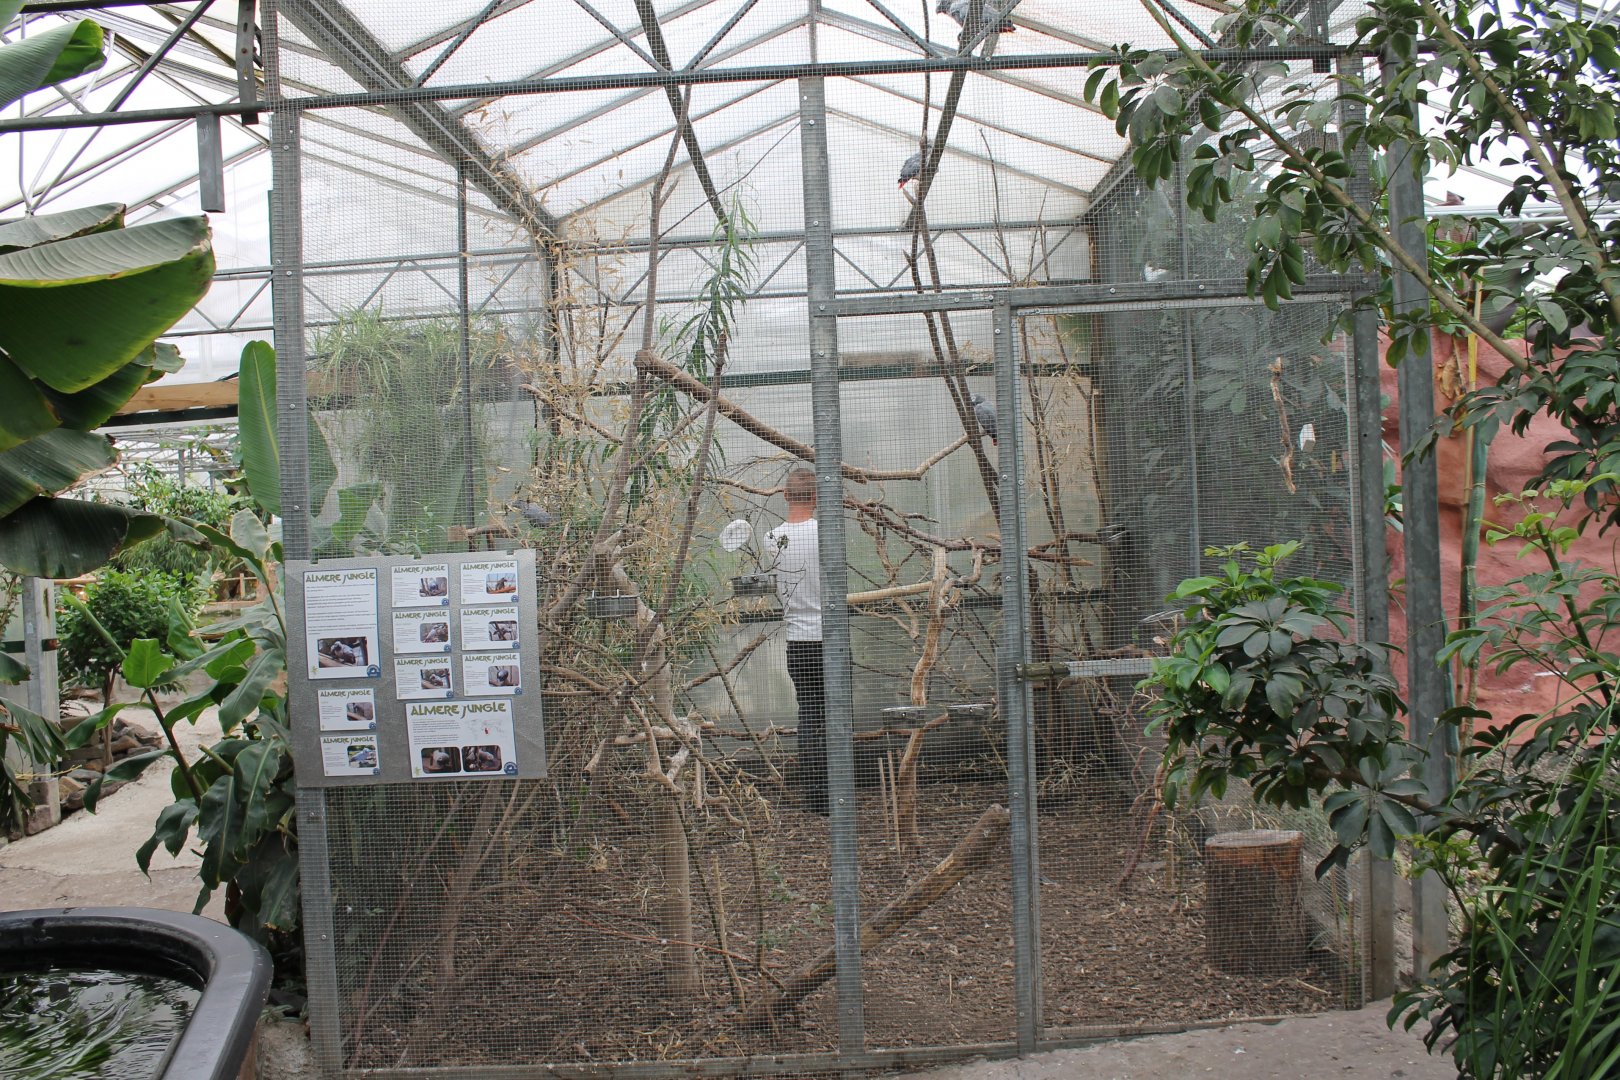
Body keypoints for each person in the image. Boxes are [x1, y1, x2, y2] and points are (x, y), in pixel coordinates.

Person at [766, 467, 827, 814]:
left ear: (786, 495)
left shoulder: (772, 538)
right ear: (817, 497)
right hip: (829, 639)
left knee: (809, 713)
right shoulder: (825, 533)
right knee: (833, 715)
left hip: (798, 641)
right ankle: (835, 792)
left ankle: (814, 795)